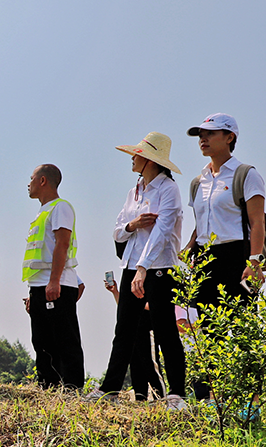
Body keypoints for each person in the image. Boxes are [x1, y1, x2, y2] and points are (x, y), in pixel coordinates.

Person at [85, 132, 187, 409]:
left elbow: (162, 232)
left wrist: (143, 267)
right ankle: (110, 390)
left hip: (159, 267)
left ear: (150, 160)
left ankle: (176, 395)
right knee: (124, 329)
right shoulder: (134, 191)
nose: (132, 158)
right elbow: (118, 231)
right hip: (131, 266)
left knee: (165, 330)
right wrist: (133, 225)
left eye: (137, 154)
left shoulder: (169, 189)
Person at [184, 113, 266, 410]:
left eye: (210, 133)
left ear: (230, 137)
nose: (203, 139)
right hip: (206, 258)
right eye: (200, 134)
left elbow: (256, 222)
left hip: (237, 257)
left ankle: (250, 405)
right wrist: (190, 248)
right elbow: (201, 223)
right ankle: (208, 403)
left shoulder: (246, 174)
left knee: (243, 331)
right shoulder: (198, 181)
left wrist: (254, 262)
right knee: (207, 332)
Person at [22, 164, 84, 390]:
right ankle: (48, 388)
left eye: (32, 178)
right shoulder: (42, 212)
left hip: (56, 285)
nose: (28, 183)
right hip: (40, 286)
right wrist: (33, 292)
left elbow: (62, 244)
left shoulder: (60, 207)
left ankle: (72, 388)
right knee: (42, 342)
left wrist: (54, 281)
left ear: (43, 181)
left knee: (65, 340)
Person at [101, 277, 165, 402]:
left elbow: (157, 305)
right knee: (136, 367)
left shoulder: (151, 280)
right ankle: (140, 400)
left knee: (151, 365)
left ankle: (162, 398)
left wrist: (137, 304)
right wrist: (115, 292)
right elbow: (126, 308)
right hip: (133, 332)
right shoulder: (130, 284)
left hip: (148, 328)